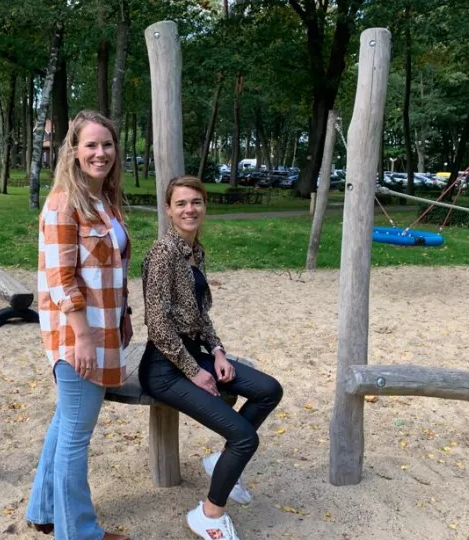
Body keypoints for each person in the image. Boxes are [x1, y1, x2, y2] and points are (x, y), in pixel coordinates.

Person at [140, 176, 284, 540]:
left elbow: (200, 315)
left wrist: (217, 352)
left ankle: (220, 462)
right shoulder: (162, 254)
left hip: (194, 354)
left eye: (196, 202)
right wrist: (194, 371)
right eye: (181, 203)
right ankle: (208, 515)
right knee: (244, 439)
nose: (189, 209)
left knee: (269, 390)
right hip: (164, 368)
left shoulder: (195, 251)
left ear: (204, 206)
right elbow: (157, 324)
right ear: (168, 210)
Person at [26, 110, 132, 540]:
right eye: (91, 145)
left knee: (65, 423)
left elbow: (111, 269)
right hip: (79, 336)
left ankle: (44, 509)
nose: (100, 153)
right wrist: (83, 338)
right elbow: (60, 279)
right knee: (76, 436)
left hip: (103, 328)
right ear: (73, 151)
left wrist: (124, 316)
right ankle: (79, 533)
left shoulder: (104, 201)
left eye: (107, 144)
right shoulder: (62, 204)